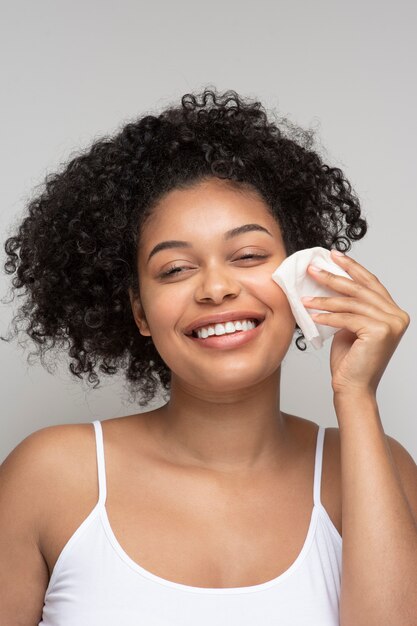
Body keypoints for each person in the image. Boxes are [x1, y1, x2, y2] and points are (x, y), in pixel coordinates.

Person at [0, 87, 416, 626]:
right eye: (175, 269)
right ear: (140, 313)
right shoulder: (51, 476)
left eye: (247, 255)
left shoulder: (376, 466)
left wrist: (356, 396)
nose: (216, 288)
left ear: (301, 276)